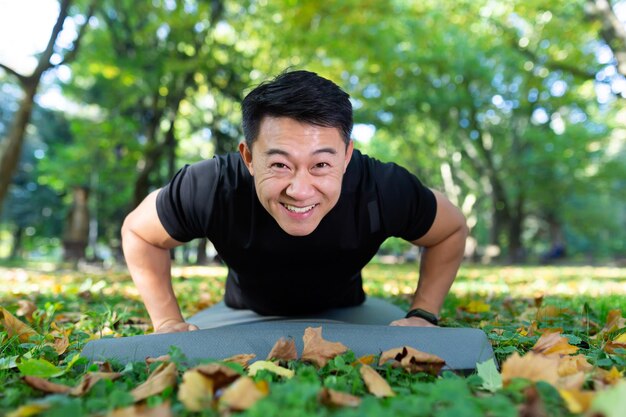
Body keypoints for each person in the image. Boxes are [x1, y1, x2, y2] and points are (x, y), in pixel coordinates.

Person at [121, 69, 468, 334]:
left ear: (347, 156)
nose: (300, 191)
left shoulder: (381, 187)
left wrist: (423, 313)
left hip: (346, 311)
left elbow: (450, 229)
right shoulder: (212, 186)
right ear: (249, 157)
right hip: (245, 312)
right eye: (279, 164)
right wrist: (167, 320)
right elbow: (139, 232)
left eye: (321, 164)